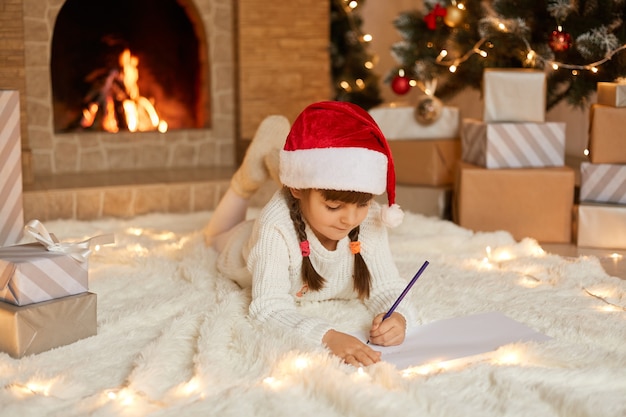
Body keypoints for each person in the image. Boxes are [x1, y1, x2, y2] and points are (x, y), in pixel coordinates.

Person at [204, 101, 416, 367]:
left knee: (334, 207)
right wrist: (327, 336)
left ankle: (273, 160)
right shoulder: (275, 227)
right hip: (244, 244)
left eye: (363, 204)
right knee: (213, 238)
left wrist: (398, 318)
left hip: (298, 203)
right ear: (297, 188)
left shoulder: (369, 219)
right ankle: (247, 179)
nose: (350, 219)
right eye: (334, 206)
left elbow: (387, 286)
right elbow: (267, 308)